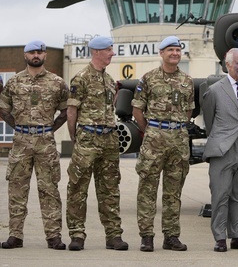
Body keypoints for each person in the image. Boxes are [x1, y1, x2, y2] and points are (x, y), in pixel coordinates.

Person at [0, 41, 69, 250]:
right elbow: (3, 108)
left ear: (45, 55)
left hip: (45, 143)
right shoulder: (14, 82)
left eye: (39, 52)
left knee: (49, 189)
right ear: (25, 55)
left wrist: (50, 129)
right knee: (17, 189)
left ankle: (53, 236)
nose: (36, 55)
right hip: (20, 142)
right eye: (32, 52)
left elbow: (66, 110)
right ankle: (15, 235)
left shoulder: (57, 82)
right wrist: (18, 127)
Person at [131, 36, 194, 252]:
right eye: (170, 50)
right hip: (154, 141)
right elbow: (137, 110)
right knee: (147, 189)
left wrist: (176, 128)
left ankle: (171, 236)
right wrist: (151, 130)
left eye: (177, 50)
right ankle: (147, 236)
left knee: (173, 192)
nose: (175, 53)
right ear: (161, 53)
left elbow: (188, 111)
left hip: (178, 141)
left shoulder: (187, 80)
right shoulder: (148, 79)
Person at [66, 36, 128, 251]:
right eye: (109, 49)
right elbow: (72, 111)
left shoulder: (110, 80)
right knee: (78, 187)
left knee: (110, 189)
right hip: (87, 138)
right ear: (96, 52)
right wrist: (75, 138)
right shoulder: (81, 78)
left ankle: (113, 235)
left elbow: (111, 108)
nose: (112, 53)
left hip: (109, 139)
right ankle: (77, 235)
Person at [201, 48, 238, 253]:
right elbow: (209, 121)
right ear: (228, 65)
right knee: (220, 194)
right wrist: (220, 139)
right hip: (222, 149)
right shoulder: (214, 90)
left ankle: (237, 235)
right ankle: (219, 237)